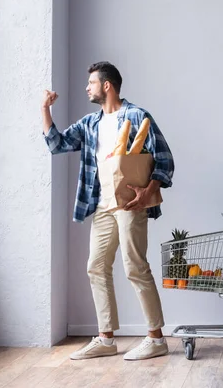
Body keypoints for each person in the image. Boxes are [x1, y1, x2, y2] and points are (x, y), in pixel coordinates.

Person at [42, 61, 174, 361]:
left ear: (106, 85)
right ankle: (106, 338)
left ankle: (156, 339)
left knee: (135, 268)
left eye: (91, 83)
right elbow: (57, 144)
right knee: (96, 266)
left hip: (129, 204)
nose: (87, 88)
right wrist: (45, 109)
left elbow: (165, 159)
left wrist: (148, 191)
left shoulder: (137, 116)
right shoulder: (91, 123)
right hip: (101, 206)